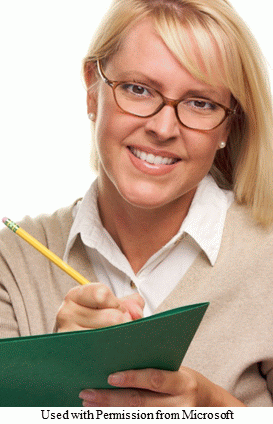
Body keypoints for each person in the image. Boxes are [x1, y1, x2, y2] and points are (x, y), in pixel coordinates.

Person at [0, 0, 273, 407]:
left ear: (228, 125)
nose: (163, 128)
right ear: (93, 89)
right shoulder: (13, 262)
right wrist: (51, 377)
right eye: (138, 89)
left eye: (200, 102)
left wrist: (212, 408)